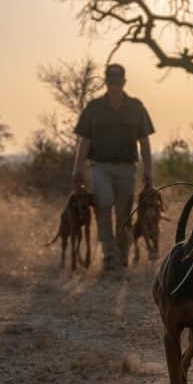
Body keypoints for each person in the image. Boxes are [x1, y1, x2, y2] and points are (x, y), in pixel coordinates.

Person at [72, 63, 155, 272]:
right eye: (110, 82)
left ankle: (122, 255)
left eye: (117, 82)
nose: (114, 86)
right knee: (104, 203)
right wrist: (78, 168)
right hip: (100, 167)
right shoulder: (94, 107)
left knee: (124, 213)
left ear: (124, 82)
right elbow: (85, 140)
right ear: (106, 82)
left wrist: (148, 169)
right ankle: (109, 255)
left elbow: (144, 141)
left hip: (127, 168)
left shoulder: (136, 107)